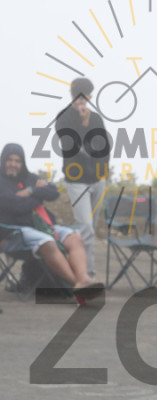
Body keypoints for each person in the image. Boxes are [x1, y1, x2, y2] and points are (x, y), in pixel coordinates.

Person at [0, 143, 101, 296]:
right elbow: (13, 205)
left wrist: (30, 191)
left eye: (17, 161)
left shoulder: (30, 178)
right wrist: (38, 197)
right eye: (9, 160)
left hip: (43, 224)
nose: (13, 164)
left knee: (74, 238)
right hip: (15, 231)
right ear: (3, 160)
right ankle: (76, 285)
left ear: (22, 163)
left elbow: (53, 192)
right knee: (47, 242)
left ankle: (83, 279)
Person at [53, 77, 110, 279]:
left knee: (90, 228)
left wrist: (104, 172)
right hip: (77, 181)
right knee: (85, 227)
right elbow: (73, 147)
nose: (83, 99)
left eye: (86, 95)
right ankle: (87, 274)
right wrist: (84, 124)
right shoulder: (63, 119)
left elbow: (104, 147)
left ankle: (81, 267)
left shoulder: (96, 119)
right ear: (73, 95)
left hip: (98, 180)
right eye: (80, 95)